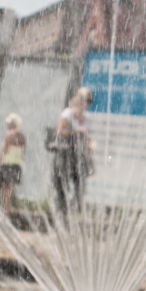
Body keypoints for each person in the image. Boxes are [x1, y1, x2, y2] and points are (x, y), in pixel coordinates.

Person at [52, 87, 93, 215]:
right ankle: (60, 212)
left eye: (89, 100)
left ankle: (72, 211)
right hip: (64, 154)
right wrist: (75, 131)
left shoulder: (88, 118)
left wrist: (89, 153)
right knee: (62, 185)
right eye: (84, 99)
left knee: (80, 186)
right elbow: (59, 131)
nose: (86, 102)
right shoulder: (68, 113)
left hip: (79, 156)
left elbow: (87, 139)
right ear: (78, 99)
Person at [0, 113, 26, 213]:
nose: (7, 125)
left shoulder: (8, 135)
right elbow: (23, 154)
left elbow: (4, 152)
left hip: (6, 165)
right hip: (16, 166)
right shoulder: (22, 137)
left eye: (9, 123)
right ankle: (6, 215)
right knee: (8, 193)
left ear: (12, 124)